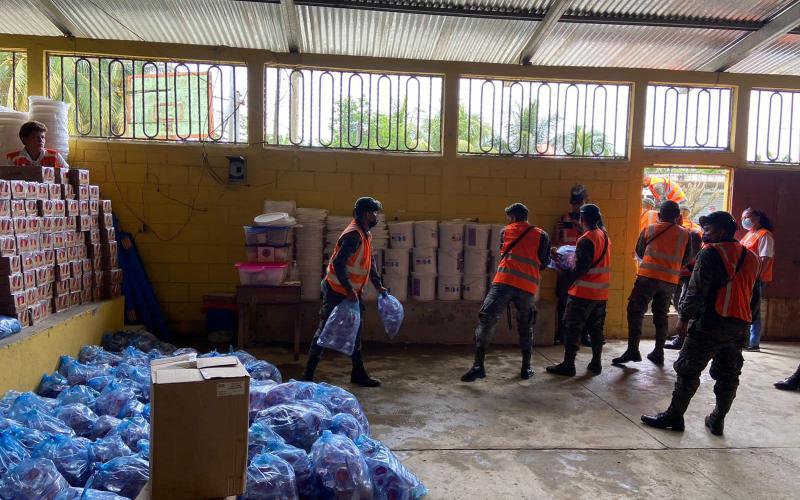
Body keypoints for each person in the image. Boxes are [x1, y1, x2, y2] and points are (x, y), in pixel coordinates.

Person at [641, 211, 760, 435]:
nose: (704, 233)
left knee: (687, 369)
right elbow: (755, 296)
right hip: (739, 325)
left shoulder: (710, 253)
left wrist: (684, 318)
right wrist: (746, 322)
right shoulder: (752, 257)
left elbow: (696, 290)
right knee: (729, 374)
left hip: (711, 323)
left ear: (722, 231)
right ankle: (717, 419)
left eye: (709, 229)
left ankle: (674, 416)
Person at [461, 203, 551, 382]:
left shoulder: (505, 231)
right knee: (526, 326)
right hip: (527, 286)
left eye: (509, 218)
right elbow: (544, 263)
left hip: (504, 282)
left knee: (487, 321)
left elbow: (505, 251)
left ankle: (478, 366)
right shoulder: (542, 235)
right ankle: (526, 368)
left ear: (513, 217)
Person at [301, 197, 386, 387]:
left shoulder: (365, 234)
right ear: (366, 214)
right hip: (337, 290)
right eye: (374, 213)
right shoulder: (353, 236)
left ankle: (358, 374)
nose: (376, 216)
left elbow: (369, 263)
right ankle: (307, 375)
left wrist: (378, 285)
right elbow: (339, 263)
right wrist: (348, 289)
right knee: (325, 331)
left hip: (351, 292)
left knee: (355, 330)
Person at [614, 201, 692, 366]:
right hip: (670, 281)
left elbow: (639, 252)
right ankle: (658, 351)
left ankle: (633, 350)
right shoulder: (685, 234)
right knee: (661, 315)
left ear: (659, 215)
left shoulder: (649, 229)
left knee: (635, 311)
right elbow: (686, 260)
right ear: (678, 216)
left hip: (648, 278)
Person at [546, 204, 611, 377]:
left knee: (572, 327)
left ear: (582, 219)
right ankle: (596, 363)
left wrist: (563, 267)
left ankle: (569, 364)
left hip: (583, 292)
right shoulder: (604, 236)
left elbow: (581, 268)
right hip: (600, 293)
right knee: (596, 329)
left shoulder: (586, 239)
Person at [553, 184, 590, 346]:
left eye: (579, 203)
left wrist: (580, 227)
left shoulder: (590, 222)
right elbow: (556, 243)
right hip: (565, 268)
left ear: (585, 201)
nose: (576, 207)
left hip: (582, 268)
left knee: (584, 303)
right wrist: (557, 232)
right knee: (563, 301)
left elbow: (594, 241)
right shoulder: (564, 219)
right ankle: (561, 333)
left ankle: (584, 335)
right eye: (574, 203)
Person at [740, 208, 775, 352]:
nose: (744, 220)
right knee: (748, 307)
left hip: (756, 278)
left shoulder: (765, 234)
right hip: (747, 277)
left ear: (757, 218)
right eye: (743, 218)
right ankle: (746, 339)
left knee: (754, 308)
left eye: (747, 217)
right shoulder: (749, 234)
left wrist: (757, 275)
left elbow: (765, 257)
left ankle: (753, 343)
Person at [5, 121, 69, 168]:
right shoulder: (13, 159)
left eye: (43, 137)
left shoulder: (54, 155)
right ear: (24, 139)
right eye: (35, 137)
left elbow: (67, 172)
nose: (41, 140)